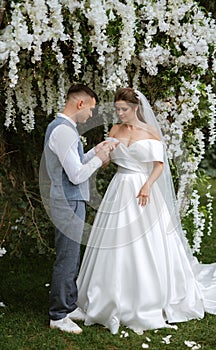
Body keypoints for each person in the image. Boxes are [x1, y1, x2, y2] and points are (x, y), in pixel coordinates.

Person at [76, 87, 216, 335]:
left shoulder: (150, 132)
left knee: (146, 243)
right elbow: (108, 162)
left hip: (143, 190)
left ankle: (149, 298)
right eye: (117, 109)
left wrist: (147, 185)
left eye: (124, 109)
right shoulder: (114, 130)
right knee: (114, 241)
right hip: (119, 188)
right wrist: (100, 155)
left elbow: (159, 165)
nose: (120, 113)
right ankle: (106, 296)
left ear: (136, 108)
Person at [42, 84, 118, 334]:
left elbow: (74, 164)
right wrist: (99, 159)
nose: (91, 116)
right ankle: (58, 314)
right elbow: (75, 176)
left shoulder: (66, 130)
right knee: (67, 257)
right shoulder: (63, 131)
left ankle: (69, 305)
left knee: (72, 255)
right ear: (80, 104)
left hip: (71, 200)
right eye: (91, 109)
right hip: (67, 202)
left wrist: (95, 151)